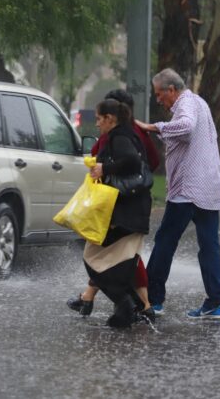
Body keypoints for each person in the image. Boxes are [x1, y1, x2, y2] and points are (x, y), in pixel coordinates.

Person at [134, 68, 220, 320]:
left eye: (159, 94)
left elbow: (186, 128)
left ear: (172, 90)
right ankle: (216, 303)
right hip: (209, 187)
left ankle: (153, 300)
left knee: (165, 241)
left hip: (188, 189)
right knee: (209, 246)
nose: (158, 100)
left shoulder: (186, 103)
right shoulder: (200, 102)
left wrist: (151, 127)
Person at [67, 89, 159, 318]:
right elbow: (151, 161)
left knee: (104, 258)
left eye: (98, 119)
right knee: (120, 259)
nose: (96, 124)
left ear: (111, 116)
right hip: (130, 207)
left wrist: (105, 168)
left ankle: (129, 304)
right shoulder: (133, 132)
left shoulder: (119, 135)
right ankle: (134, 307)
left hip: (124, 208)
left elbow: (129, 160)